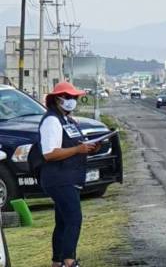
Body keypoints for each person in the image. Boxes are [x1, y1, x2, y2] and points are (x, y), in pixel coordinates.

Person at [39, 82, 100, 267]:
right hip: (58, 178)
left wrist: (90, 148)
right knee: (74, 218)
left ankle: (57, 261)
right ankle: (69, 260)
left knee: (64, 220)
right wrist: (78, 149)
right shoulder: (51, 121)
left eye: (75, 98)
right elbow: (49, 153)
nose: (72, 101)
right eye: (68, 97)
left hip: (69, 176)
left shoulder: (68, 120)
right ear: (57, 99)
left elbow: (74, 147)